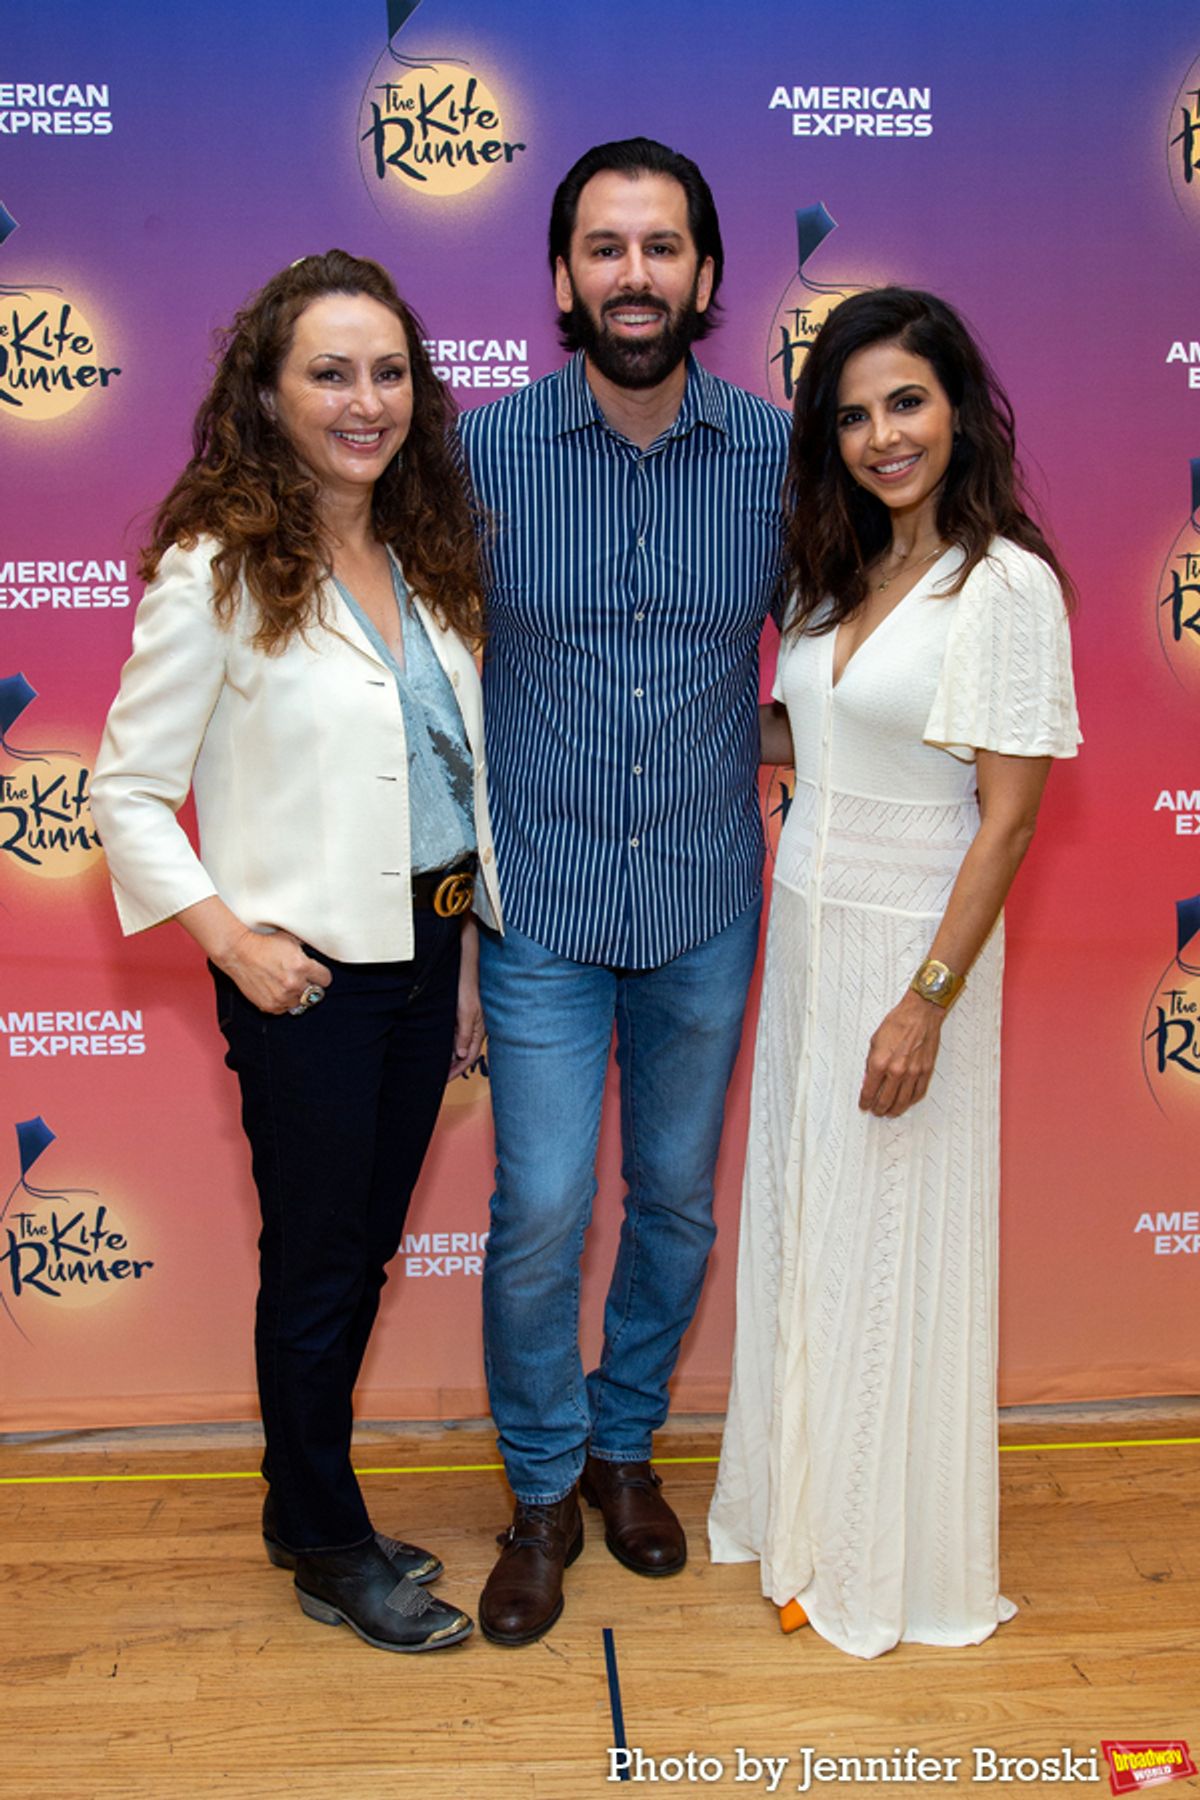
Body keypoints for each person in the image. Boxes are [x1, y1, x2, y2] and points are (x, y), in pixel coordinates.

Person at [89, 250, 501, 1654]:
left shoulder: (424, 553)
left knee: (357, 1255)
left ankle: (303, 1504)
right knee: (321, 1267)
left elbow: (449, 780)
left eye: (388, 371)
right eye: (330, 371)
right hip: (306, 979)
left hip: (422, 954)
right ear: (266, 392)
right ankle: (325, 1539)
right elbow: (124, 790)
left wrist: (464, 973)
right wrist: (231, 939)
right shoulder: (217, 562)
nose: (364, 399)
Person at [707, 287, 1081, 1658]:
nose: (882, 435)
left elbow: (1010, 816)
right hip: (808, 928)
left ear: (962, 407)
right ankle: (803, 1522)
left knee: (893, 1250)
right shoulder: (839, 565)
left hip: (909, 956)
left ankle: (881, 1555)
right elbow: (811, 727)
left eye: (906, 402)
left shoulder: (1007, 586)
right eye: (853, 414)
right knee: (812, 1236)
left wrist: (926, 1002)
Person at [458, 137, 790, 1646]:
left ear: (707, 278)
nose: (635, 275)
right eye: (606, 247)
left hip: (709, 899)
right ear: (561, 280)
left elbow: (853, 653)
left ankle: (621, 1447)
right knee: (537, 1209)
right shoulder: (473, 457)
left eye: (663, 248)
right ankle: (537, 1493)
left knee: (671, 1206)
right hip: (542, 905)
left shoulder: (786, 460)